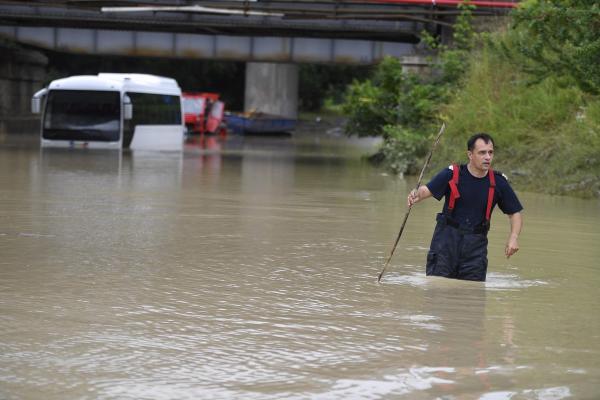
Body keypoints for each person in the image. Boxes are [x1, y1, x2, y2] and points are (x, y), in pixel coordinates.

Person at [407, 133, 523, 281]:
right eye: (482, 153)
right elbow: (426, 191)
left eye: (490, 152)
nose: (487, 157)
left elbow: (515, 214)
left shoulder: (499, 183)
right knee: (437, 292)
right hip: (445, 246)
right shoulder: (451, 174)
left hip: (475, 251)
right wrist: (415, 194)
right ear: (470, 154)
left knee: (472, 298)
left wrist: (513, 238)